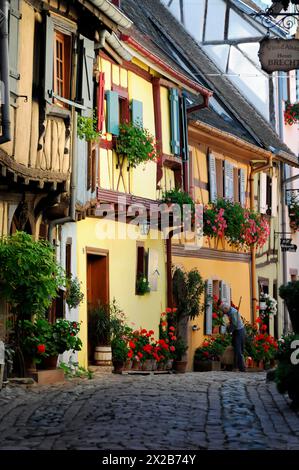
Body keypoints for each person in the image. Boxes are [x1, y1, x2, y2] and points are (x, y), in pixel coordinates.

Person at [221, 303, 246, 372]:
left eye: (223, 311)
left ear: (226, 309)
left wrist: (229, 329)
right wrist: (227, 325)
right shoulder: (227, 312)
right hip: (236, 331)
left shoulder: (233, 312)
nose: (223, 312)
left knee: (238, 350)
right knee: (234, 348)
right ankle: (233, 366)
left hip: (240, 331)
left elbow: (234, 324)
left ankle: (242, 368)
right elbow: (226, 320)